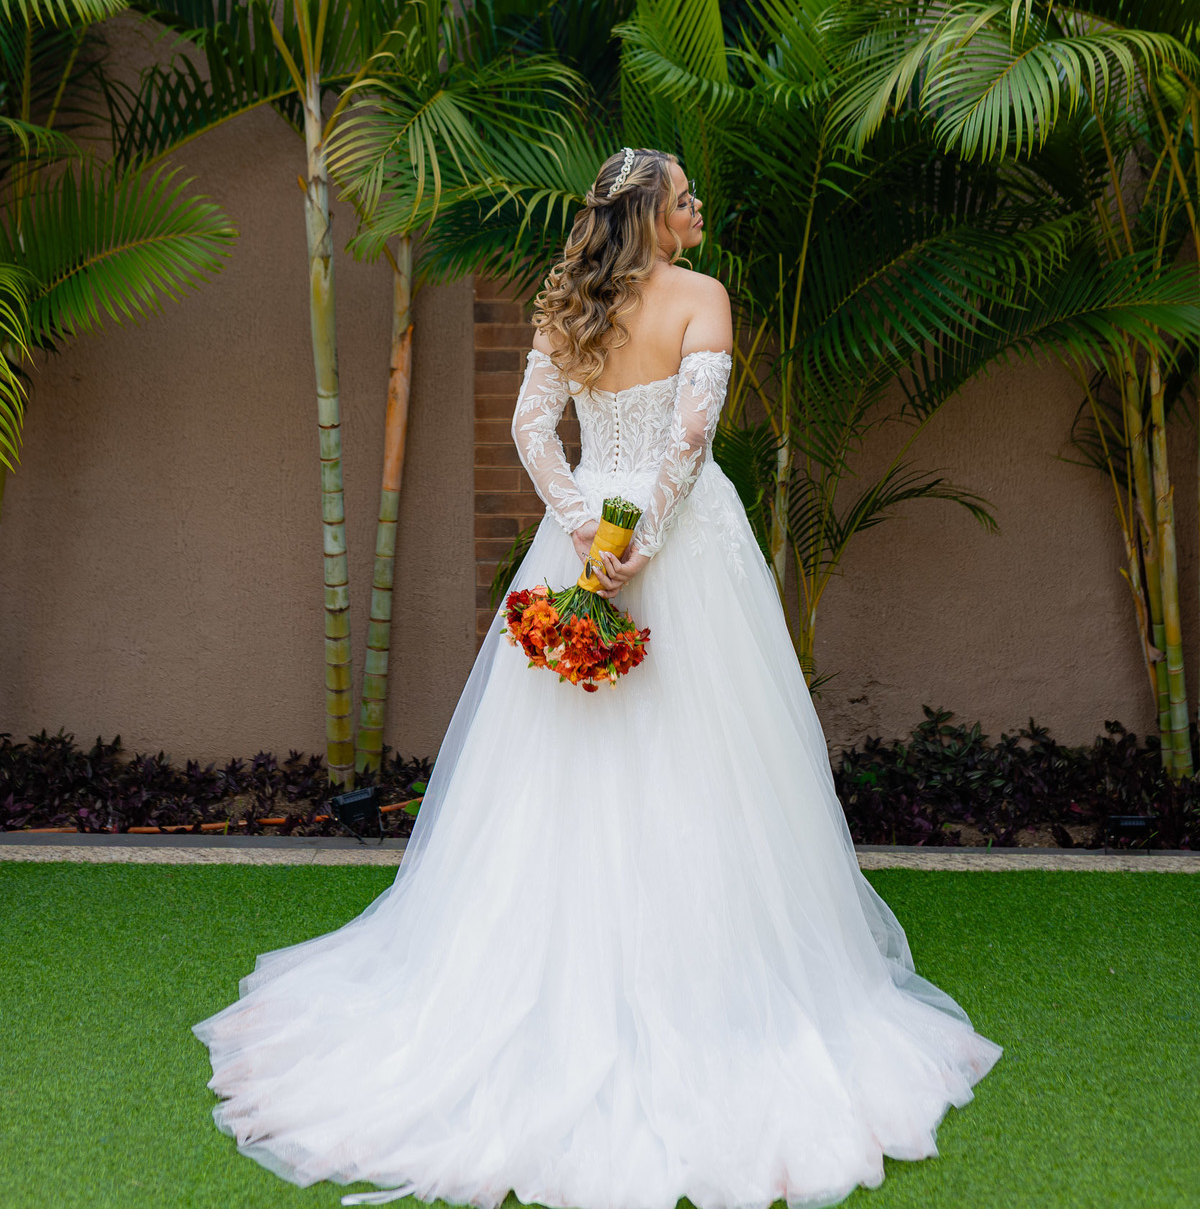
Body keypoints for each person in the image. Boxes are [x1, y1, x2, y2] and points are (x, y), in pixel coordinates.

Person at [194, 146, 1000, 1209]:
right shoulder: (702, 298)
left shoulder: (569, 300)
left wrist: (584, 529)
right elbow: (690, 442)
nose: (698, 208)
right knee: (707, 761)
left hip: (582, 539)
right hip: (682, 548)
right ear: (654, 217)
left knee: (565, 765)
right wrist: (638, 543)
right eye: (685, 199)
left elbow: (532, 428)